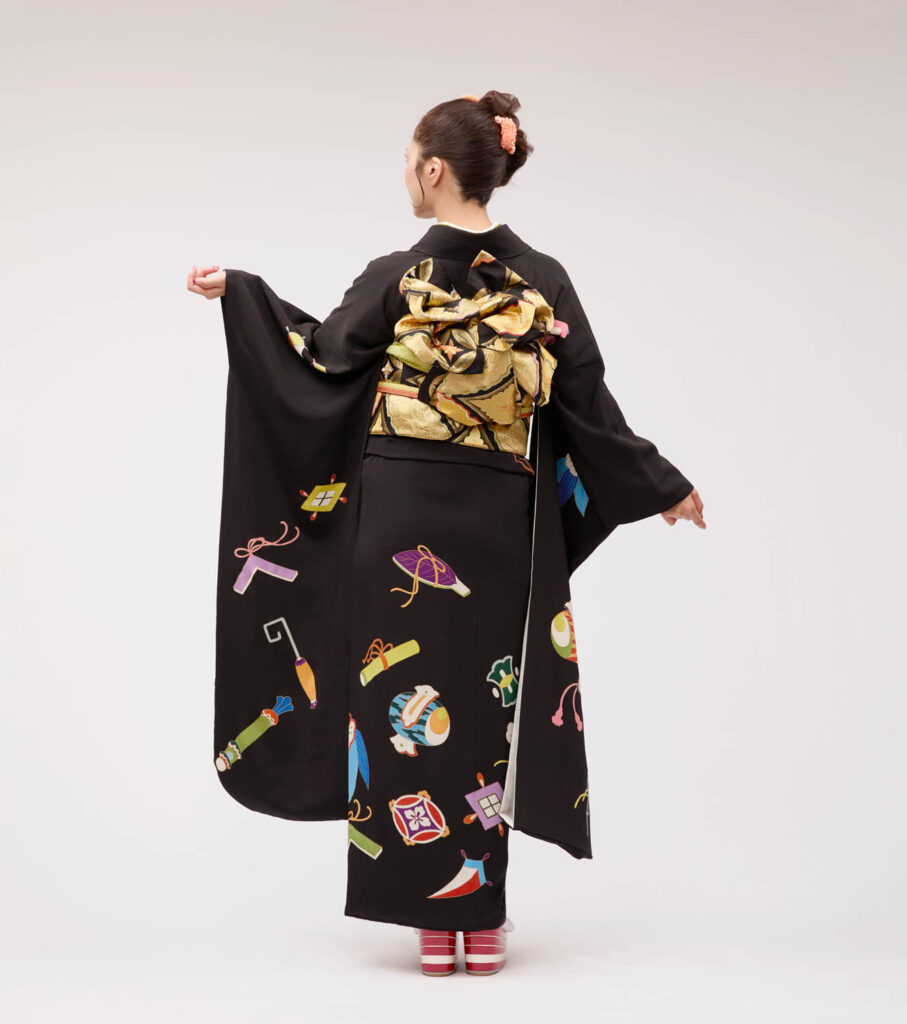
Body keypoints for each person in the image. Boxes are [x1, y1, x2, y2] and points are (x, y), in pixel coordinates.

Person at [188, 90, 705, 977]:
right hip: (496, 520)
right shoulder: (542, 279)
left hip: (397, 519)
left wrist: (244, 298)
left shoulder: (397, 274)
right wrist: (661, 484)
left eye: (407, 159)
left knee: (401, 709)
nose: (404, 173)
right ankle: (473, 914)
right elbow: (588, 404)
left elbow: (319, 361)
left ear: (433, 169)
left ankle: (439, 917)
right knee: (479, 715)